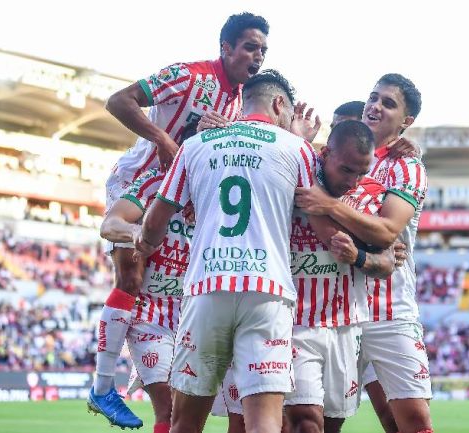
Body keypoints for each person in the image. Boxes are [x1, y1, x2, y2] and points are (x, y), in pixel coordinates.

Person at [88, 12, 270, 428]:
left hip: (184, 191)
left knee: (165, 280)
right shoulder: (189, 76)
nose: (257, 56)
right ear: (225, 47)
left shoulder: (242, 102)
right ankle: (102, 386)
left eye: (262, 50)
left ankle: (148, 363)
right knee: (132, 271)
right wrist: (166, 141)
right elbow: (119, 101)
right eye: (249, 47)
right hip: (142, 180)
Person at [134, 69, 318, 433]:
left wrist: (147, 243)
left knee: (184, 421)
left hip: (206, 289)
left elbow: (156, 221)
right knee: (263, 422)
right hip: (267, 292)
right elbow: (318, 213)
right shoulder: (297, 148)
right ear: (279, 104)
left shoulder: (195, 145)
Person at [295, 73, 432, 433]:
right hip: (334, 311)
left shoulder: (407, 166)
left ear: (406, 122)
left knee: (408, 419)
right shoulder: (337, 157)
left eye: (388, 103)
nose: (375, 106)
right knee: (322, 420)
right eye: (373, 98)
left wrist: (328, 205)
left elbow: (388, 231)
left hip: (390, 308)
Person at [284, 120, 402, 433]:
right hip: (295, 323)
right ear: (325, 154)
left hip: (346, 326)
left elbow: (388, 262)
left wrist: (359, 256)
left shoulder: (372, 197)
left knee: (332, 425)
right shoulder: (290, 179)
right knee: (306, 422)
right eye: (347, 169)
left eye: (362, 171)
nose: (353, 181)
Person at [91, 124, 198, 433]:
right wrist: (135, 231)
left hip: (189, 309)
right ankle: (101, 387)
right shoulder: (154, 183)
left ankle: (102, 389)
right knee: (169, 407)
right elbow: (110, 224)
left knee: (186, 413)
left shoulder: (216, 193)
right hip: (150, 313)